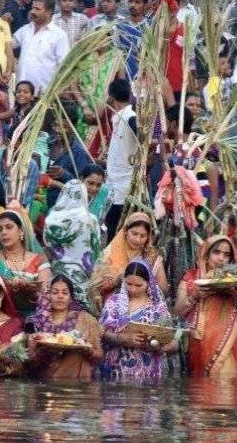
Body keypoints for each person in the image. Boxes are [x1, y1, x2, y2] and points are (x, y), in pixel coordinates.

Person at [173, 235, 237, 378]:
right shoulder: (191, 278)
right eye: (216, 252)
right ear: (206, 254)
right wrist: (194, 296)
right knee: (202, 390)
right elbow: (177, 313)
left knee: (228, 388)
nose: (221, 258)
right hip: (199, 343)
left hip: (231, 343)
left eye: (226, 255)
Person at [99, 260, 177, 380]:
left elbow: (172, 341)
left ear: (149, 283)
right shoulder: (114, 302)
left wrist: (156, 346)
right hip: (116, 370)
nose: (133, 289)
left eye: (138, 285)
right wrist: (123, 338)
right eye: (128, 284)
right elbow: (104, 333)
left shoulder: (157, 307)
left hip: (147, 373)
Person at [89, 212, 168, 315]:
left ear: (148, 237)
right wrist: (118, 280)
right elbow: (96, 287)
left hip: (144, 309)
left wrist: (143, 285)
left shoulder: (152, 256)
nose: (137, 240)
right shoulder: (109, 254)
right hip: (112, 308)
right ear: (125, 231)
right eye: (134, 234)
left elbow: (163, 289)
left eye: (143, 236)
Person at [26, 275, 103, 380]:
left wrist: (87, 349)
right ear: (48, 296)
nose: (60, 296)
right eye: (55, 292)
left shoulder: (85, 319)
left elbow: (99, 356)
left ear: (71, 298)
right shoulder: (36, 321)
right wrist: (40, 348)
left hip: (77, 380)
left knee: (75, 354)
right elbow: (28, 361)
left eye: (65, 293)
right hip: (43, 381)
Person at [0, 209, 52, 316]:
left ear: (21, 231)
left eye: (9, 227)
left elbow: (48, 296)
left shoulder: (39, 260)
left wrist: (31, 291)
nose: (3, 232)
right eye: (0, 229)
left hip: (33, 323)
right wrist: (4, 284)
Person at [43, 180, 101, 313]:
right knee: (81, 314)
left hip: (57, 273)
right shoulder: (91, 220)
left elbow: (47, 248)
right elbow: (96, 251)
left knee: (58, 310)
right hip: (81, 275)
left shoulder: (51, 219)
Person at [13, 0, 69, 94]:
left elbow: (64, 65)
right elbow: (8, 44)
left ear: (48, 12)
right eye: (32, 8)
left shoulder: (59, 35)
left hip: (43, 94)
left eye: (37, 9)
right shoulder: (25, 29)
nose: (33, 12)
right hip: (21, 93)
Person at [104, 79, 138, 242]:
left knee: (116, 230)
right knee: (112, 228)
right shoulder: (119, 118)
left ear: (111, 98)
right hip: (114, 183)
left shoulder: (130, 117)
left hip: (124, 185)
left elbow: (142, 140)